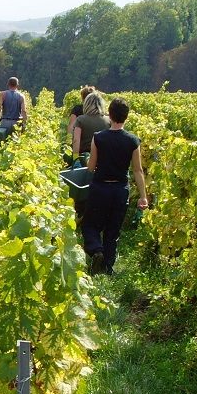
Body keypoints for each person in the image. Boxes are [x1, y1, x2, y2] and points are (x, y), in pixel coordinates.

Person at [81, 97, 149, 275]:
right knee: (113, 230)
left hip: (100, 188)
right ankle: (107, 268)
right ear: (126, 116)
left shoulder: (99, 138)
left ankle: (96, 250)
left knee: (90, 225)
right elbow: (137, 170)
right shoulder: (133, 141)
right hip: (120, 190)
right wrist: (143, 196)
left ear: (109, 115)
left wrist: (88, 159)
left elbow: (91, 167)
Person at [72, 91, 109, 161]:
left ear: (87, 104)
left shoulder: (80, 119)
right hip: (104, 157)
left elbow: (76, 141)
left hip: (84, 158)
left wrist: (76, 159)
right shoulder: (109, 120)